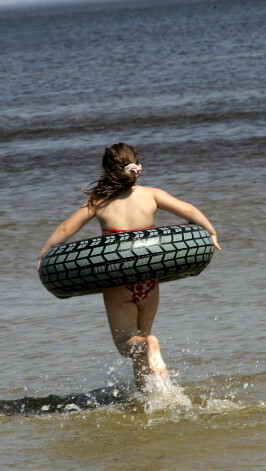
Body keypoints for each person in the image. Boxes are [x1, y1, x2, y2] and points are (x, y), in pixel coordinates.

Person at [37, 143, 221, 391]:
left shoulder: (99, 201)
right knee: (141, 337)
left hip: (118, 281)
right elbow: (188, 210)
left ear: (107, 170)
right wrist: (210, 232)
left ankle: (149, 346)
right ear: (137, 167)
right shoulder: (152, 194)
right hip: (149, 278)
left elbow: (66, 229)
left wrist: (45, 254)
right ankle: (147, 396)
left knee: (126, 343)